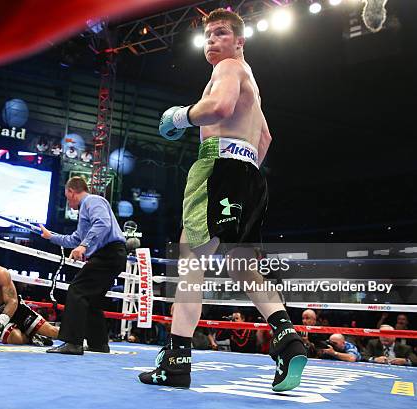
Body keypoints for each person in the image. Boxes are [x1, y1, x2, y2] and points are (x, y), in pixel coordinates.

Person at [138, 8, 307, 392]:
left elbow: (220, 107)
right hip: (249, 174)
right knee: (244, 266)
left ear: (239, 42)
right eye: (208, 36)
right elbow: (265, 139)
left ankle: (177, 362)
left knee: (191, 264)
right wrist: (241, 167)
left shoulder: (229, 68)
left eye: (219, 34)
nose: (212, 41)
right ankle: (287, 337)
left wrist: (181, 116)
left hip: (219, 167)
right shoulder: (254, 84)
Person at [39, 176, 127, 355]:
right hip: (111, 255)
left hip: (108, 254)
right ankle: (98, 343)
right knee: (91, 299)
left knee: (77, 291)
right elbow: (75, 239)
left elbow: (103, 223)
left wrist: (84, 246)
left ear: (71, 192)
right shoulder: (85, 211)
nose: (67, 200)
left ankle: (73, 342)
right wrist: (51, 237)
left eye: (66, 196)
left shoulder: (92, 201)